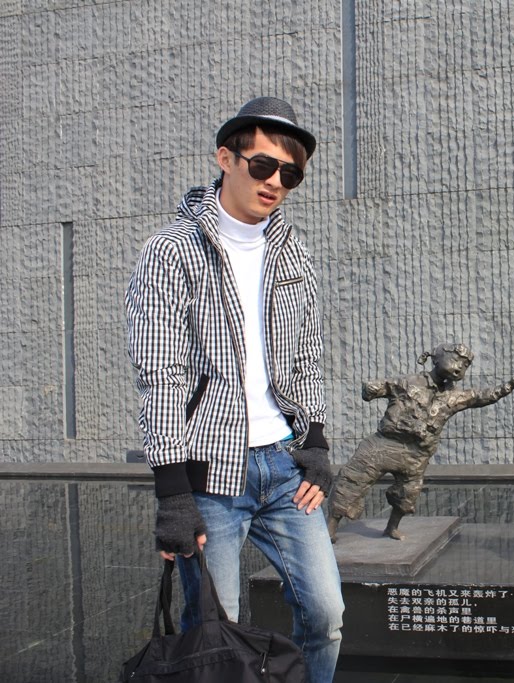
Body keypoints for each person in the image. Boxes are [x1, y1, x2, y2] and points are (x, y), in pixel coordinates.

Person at [125, 96, 345, 683]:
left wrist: (315, 442)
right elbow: (160, 373)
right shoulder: (171, 251)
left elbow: (304, 357)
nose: (275, 183)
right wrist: (172, 492)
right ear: (226, 158)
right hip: (210, 474)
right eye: (263, 166)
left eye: (290, 175)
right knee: (213, 636)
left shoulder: (291, 251)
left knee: (325, 614)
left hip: (284, 467)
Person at [328, 344, 514, 541]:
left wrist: (508, 386)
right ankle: (331, 527)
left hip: (416, 454)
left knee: (408, 493)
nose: (459, 368)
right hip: (384, 445)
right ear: (436, 359)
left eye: (465, 366)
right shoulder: (408, 383)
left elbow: (480, 397)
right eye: (456, 360)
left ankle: (392, 527)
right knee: (352, 481)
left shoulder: (454, 397)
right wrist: (371, 389)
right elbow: (379, 387)